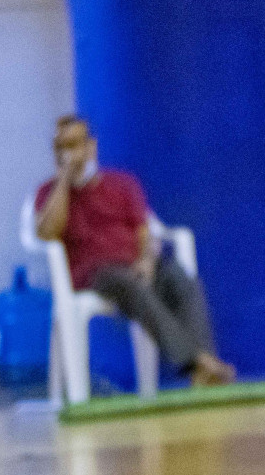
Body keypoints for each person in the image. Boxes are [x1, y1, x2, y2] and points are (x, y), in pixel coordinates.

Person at [34, 115, 235, 388]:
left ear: (91, 146)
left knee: (181, 279)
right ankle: (198, 364)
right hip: (97, 274)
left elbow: (145, 231)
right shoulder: (49, 192)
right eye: (62, 146)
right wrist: (64, 181)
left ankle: (204, 368)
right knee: (129, 285)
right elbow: (47, 232)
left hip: (136, 262)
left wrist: (147, 261)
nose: (71, 152)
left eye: (76, 144)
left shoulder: (122, 184)